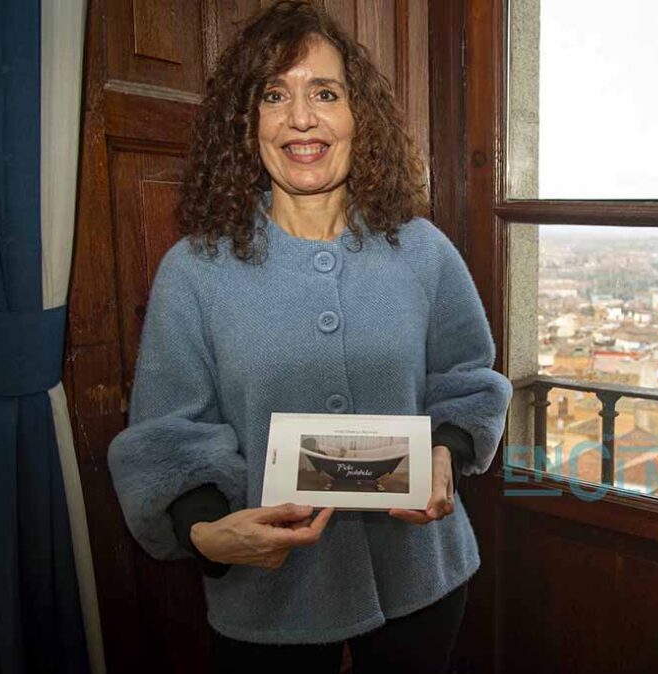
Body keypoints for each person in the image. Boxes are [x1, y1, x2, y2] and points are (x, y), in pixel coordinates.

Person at [106, 3, 512, 672]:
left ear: (359, 115)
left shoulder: (422, 251)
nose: (301, 118)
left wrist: (446, 452)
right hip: (271, 599)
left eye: (325, 92)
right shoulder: (195, 269)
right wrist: (205, 532)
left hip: (422, 580)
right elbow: (169, 435)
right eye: (274, 95)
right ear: (247, 123)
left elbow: (467, 379)